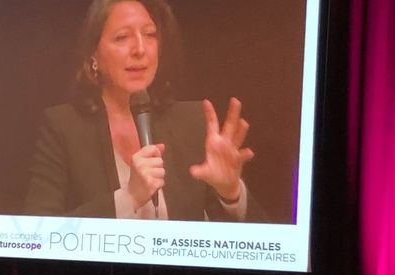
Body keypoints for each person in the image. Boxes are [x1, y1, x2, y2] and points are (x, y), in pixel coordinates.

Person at [25, 0, 266, 222]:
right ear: (94, 56)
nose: (140, 49)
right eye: (122, 37)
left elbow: (264, 250)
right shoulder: (63, 126)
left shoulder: (193, 122)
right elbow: (37, 232)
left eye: (150, 35)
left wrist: (232, 193)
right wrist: (128, 198)